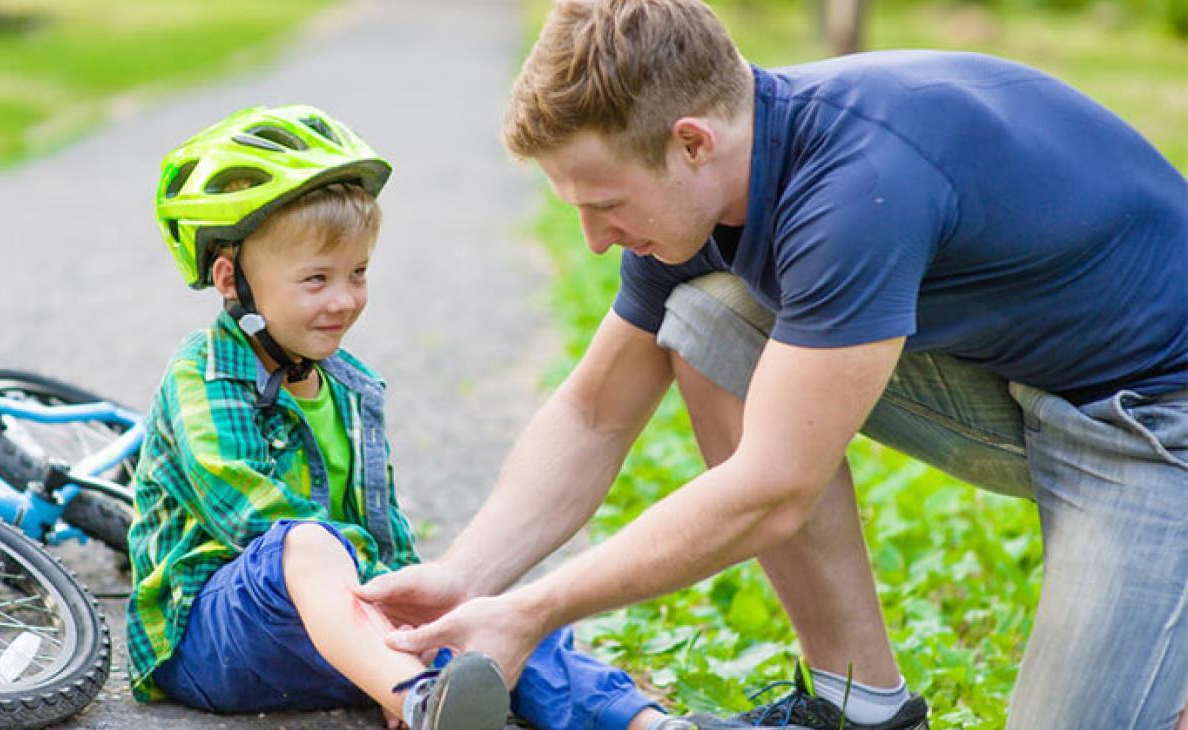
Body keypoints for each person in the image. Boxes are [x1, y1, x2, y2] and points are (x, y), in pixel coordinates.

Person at [354, 2, 1188, 729]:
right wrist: (467, 579)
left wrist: (533, 610)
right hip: (1026, 383)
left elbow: (773, 489)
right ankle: (861, 704)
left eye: (605, 205)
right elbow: (595, 412)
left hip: (1154, 422)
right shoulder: (707, 183)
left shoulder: (856, 184)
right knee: (710, 315)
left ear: (690, 142)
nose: (597, 240)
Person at [126, 104, 682, 730]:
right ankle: (417, 699)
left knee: (480, 609)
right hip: (215, 638)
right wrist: (387, 606)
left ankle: (641, 721)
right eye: (315, 279)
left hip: (342, 628)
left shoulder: (350, 386)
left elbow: (383, 530)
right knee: (304, 542)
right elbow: (252, 518)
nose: (344, 300)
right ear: (232, 278)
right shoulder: (203, 375)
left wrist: (420, 604)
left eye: (357, 273)